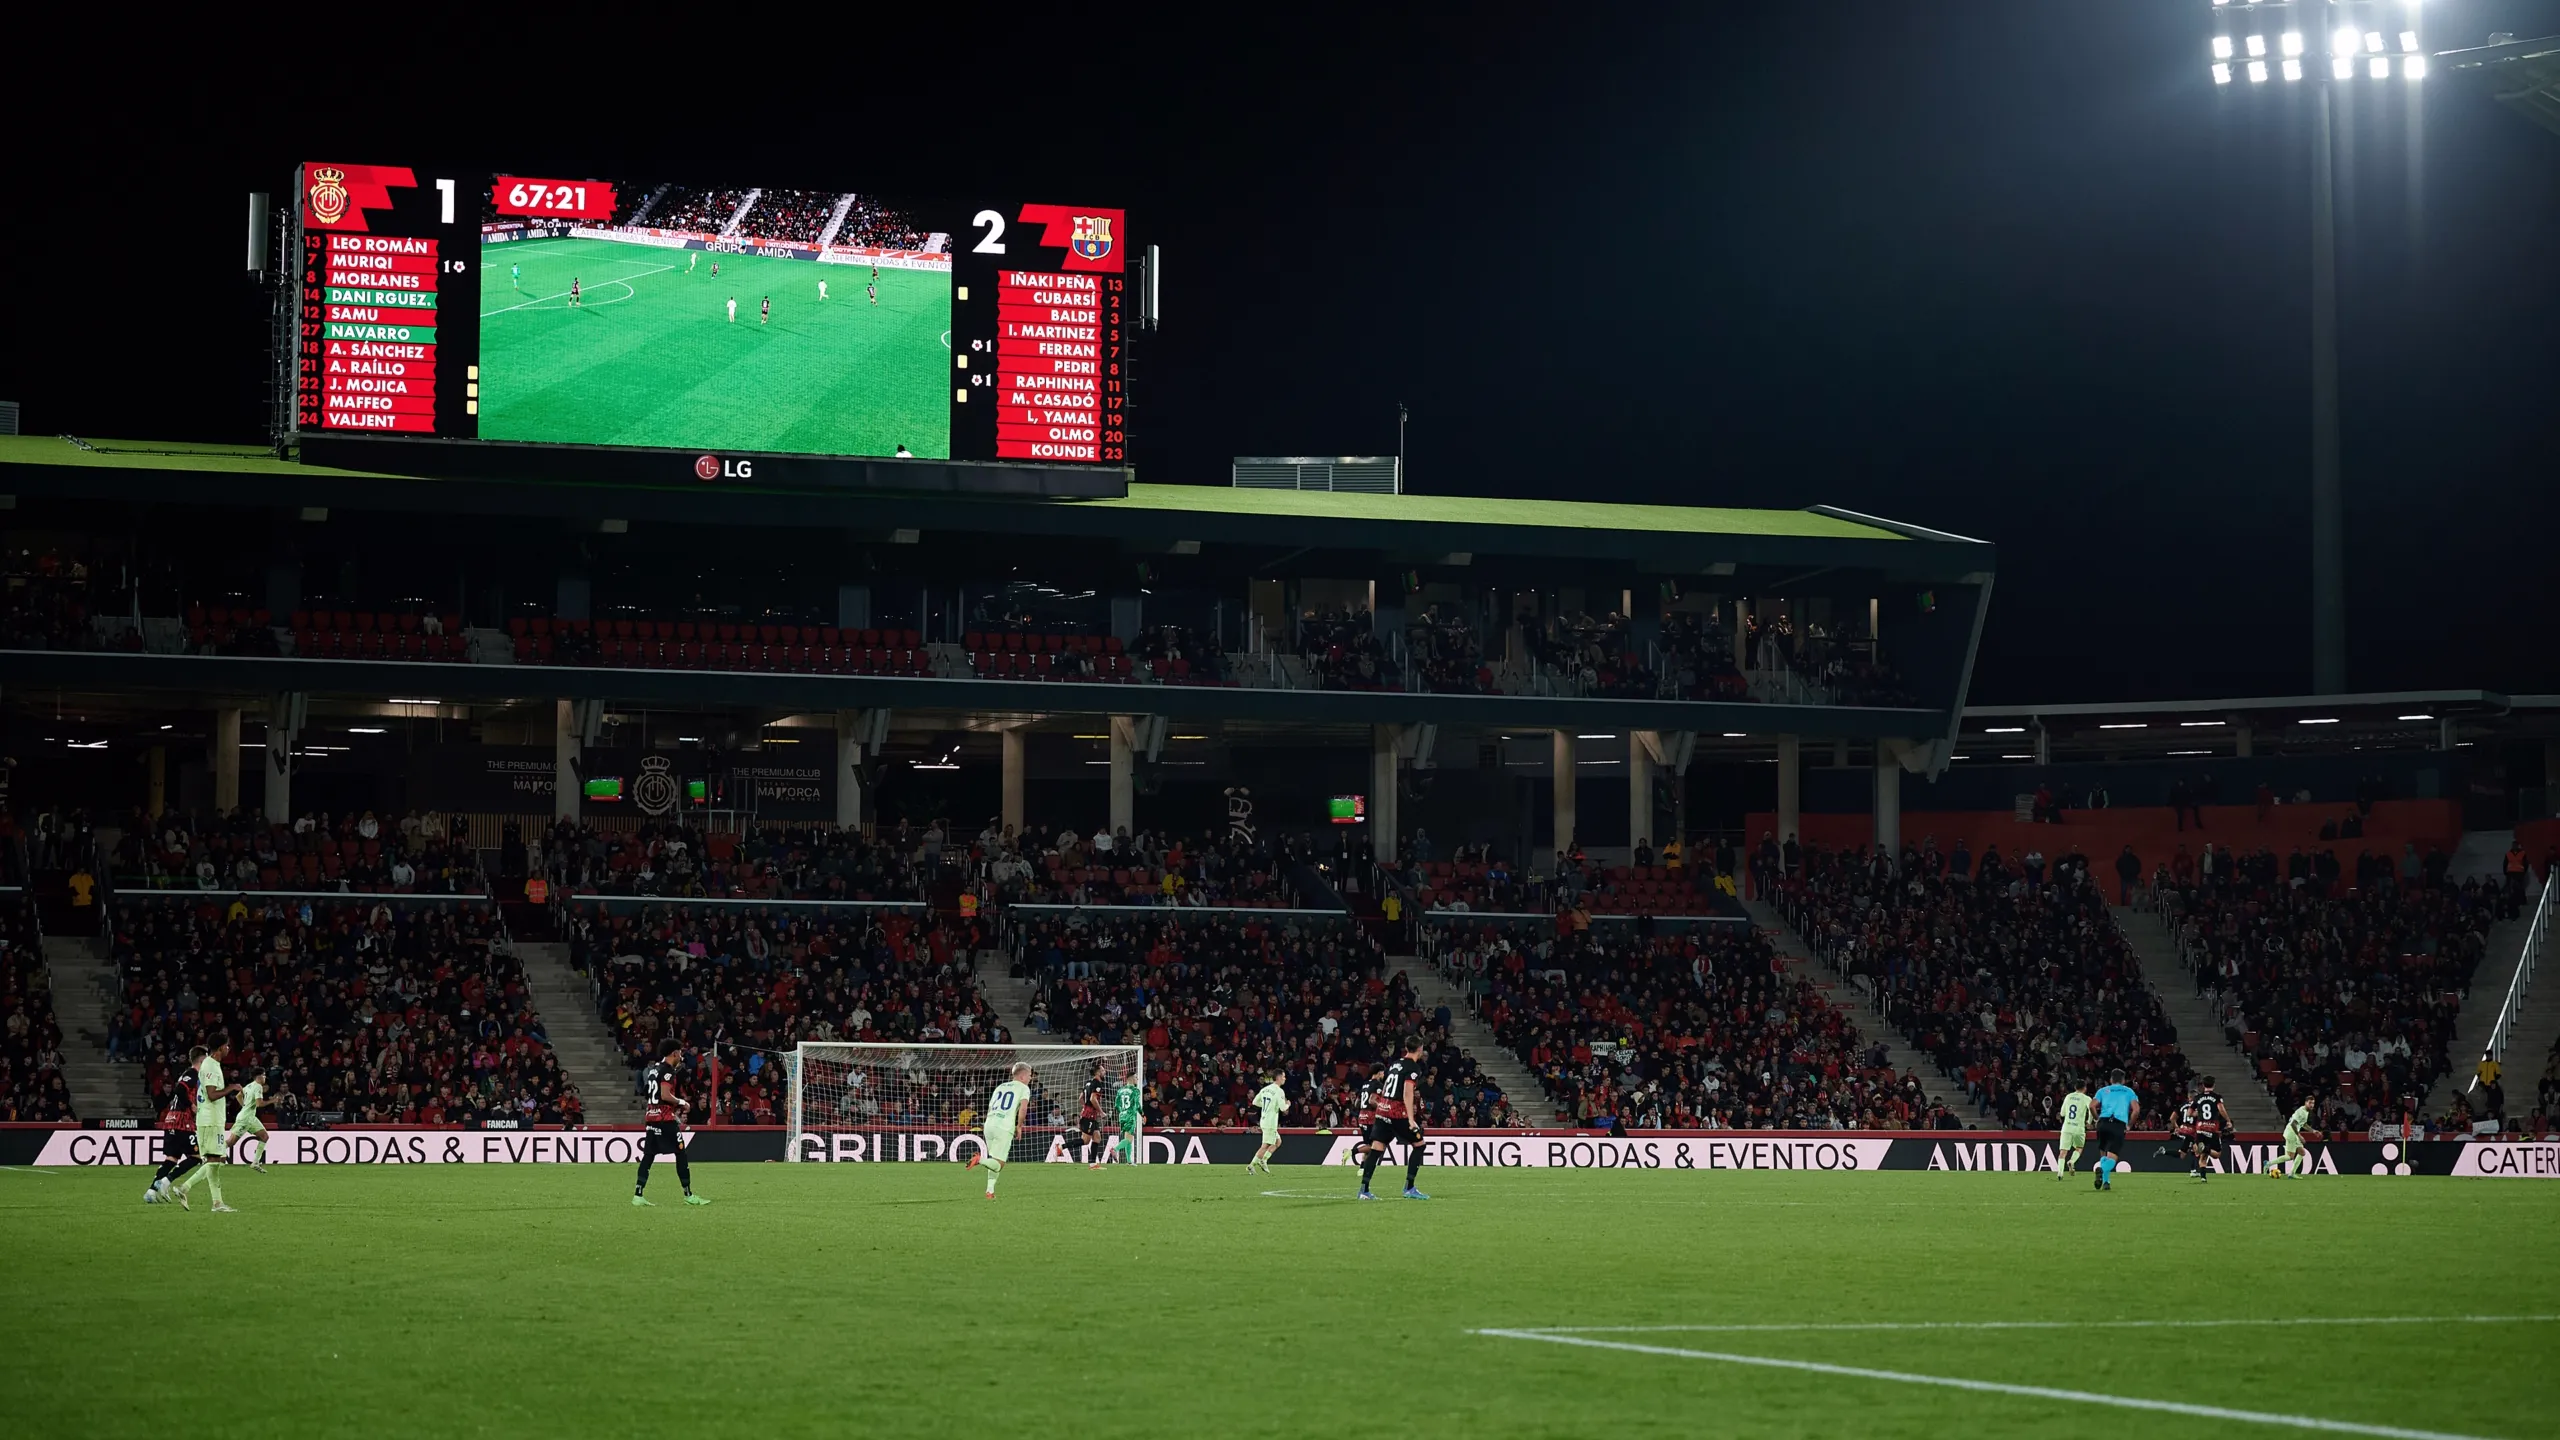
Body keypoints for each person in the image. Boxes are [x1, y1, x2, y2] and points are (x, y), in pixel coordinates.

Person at [632, 1041, 707, 1206]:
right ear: (674, 1053)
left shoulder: (654, 1070)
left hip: (651, 1116)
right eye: (680, 1052)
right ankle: (688, 1195)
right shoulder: (667, 1071)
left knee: (648, 1155)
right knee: (681, 1152)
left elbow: (647, 1091)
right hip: (664, 1119)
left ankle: (638, 1194)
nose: (681, 1056)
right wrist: (682, 1102)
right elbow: (665, 1095)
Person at [1359, 1035, 1430, 1201]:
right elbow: (1407, 1092)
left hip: (1382, 1111)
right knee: (1419, 1145)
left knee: (1376, 1149)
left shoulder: (1395, 1063)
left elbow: (1387, 1087)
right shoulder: (1413, 1068)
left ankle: (1364, 1190)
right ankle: (1409, 1188)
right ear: (1419, 1049)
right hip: (1397, 1113)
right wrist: (1411, 1119)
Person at [174, 1041, 238, 1212]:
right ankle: (184, 1188)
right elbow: (211, 1094)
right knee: (216, 1161)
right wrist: (231, 1088)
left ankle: (217, 1203)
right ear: (219, 1048)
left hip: (211, 1120)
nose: (228, 1049)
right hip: (210, 1121)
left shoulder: (212, 1065)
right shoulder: (210, 1065)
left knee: (215, 1161)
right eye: (226, 1046)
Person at [966, 1062, 1034, 1198]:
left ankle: (990, 1191)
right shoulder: (1023, 1088)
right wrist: (1019, 1126)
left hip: (989, 1124)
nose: (1030, 1078)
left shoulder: (1000, 1086)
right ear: (1022, 1076)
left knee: (994, 1160)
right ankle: (979, 1160)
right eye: (1029, 1075)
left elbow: (990, 1108)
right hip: (1004, 1126)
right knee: (998, 1164)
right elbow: (1023, 1108)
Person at [146, 1068, 201, 1207]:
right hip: (182, 1121)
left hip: (171, 1120)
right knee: (197, 1156)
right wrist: (192, 1105)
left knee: (172, 1159)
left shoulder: (184, 1075)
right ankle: (167, 1180)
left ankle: (151, 1191)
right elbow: (180, 1090)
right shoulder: (193, 1073)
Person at [2091, 1068, 2138, 1192]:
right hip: (2118, 1124)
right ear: (2123, 1080)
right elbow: (2136, 1110)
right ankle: (2102, 1170)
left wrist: (2097, 1119)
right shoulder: (2128, 1091)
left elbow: (2092, 1105)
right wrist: (2129, 1125)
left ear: (2111, 1079)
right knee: (2113, 1156)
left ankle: (2106, 1182)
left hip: (2103, 1123)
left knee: (2103, 1152)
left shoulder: (2103, 1091)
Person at [224, 1069, 272, 1172]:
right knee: (231, 1142)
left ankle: (255, 1162)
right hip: (245, 1119)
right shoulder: (258, 1086)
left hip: (251, 1117)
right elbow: (259, 1104)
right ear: (259, 1077)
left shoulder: (249, 1086)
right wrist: (272, 1100)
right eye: (264, 1076)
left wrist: (244, 1107)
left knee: (264, 1136)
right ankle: (209, 1155)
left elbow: (238, 1096)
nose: (265, 1078)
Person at [1247, 1071, 1288, 1174]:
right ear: (1278, 1078)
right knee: (1266, 1145)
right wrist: (1288, 1104)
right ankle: (1251, 1165)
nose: (1285, 1078)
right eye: (1283, 1076)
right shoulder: (1279, 1091)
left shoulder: (1265, 1089)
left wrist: (1267, 1106)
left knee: (1278, 1142)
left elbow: (1255, 1102)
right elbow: (1283, 1108)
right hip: (1270, 1122)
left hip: (1264, 1119)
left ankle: (1264, 1160)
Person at [2189, 1077, 2229, 1181]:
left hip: (2200, 1127)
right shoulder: (2217, 1097)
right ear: (2214, 1085)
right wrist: (2228, 1120)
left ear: (2203, 1085)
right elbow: (2221, 1109)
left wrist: (2197, 1113)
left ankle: (2203, 1177)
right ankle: (2205, 1149)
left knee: (2203, 1156)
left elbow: (2189, 1113)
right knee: (2217, 1154)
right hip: (2212, 1128)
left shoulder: (2197, 1097)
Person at [2269, 1098, 2319, 1179]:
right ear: (2305, 1102)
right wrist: (2299, 1136)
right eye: (2310, 1103)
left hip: (2294, 1133)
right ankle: (2268, 1163)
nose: (2312, 1105)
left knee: (2302, 1152)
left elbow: (2303, 1124)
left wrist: (2313, 1131)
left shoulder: (2305, 1111)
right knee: (2289, 1157)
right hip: (2291, 1133)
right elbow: (2293, 1124)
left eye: (2313, 1103)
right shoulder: (2301, 1112)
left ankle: (2292, 1173)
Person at [2052, 1083, 2092, 1180]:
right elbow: (2091, 1110)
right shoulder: (2087, 1098)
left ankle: (2060, 1173)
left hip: (2067, 1127)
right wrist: (2089, 1121)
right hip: (2079, 1128)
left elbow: (2062, 1113)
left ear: (2075, 1087)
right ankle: (2072, 1161)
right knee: (2079, 1147)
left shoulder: (2068, 1097)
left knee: (2063, 1151)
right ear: (2085, 1088)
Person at [1112, 1067, 1144, 1166]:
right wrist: (1142, 1114)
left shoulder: (1120, 1090)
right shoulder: (1135, 1090)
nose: (1137, 1079)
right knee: (1129, 1139)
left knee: (1128, 1138)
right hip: (1130, 1116)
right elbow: (1137, 1104)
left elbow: (1116, 1105)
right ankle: (1115, 1149)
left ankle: (1129, 1161)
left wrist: (1122, 1112)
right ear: (1130, 1078)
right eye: (1135, 1077)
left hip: (1122, 1116)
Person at [1079, 1063, 1108, 1167]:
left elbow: (1080, 1098)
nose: (1105, 1072)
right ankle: (1061, 1147)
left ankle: (1093, 1164)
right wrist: (1101, 1111)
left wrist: (1084, 1108)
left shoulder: (1088, 1083)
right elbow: (1092, 1099)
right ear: (1098, 1072)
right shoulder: (1097, 1083)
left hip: (1089, 1113)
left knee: (1097, 1138)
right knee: (1085, 1141)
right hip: (1090, 1115)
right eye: (1103, 1070)